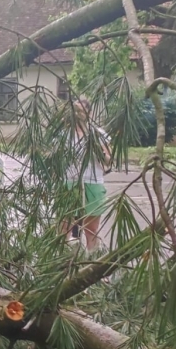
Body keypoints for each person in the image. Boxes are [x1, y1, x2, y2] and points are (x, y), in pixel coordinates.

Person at [61, 99, 111, 251]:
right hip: (68, 183)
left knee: (91, 230)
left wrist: (97, 149)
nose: (78, 114)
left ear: (89, 113)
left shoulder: (99, 134)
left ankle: (91, 265)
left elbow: (109, 162)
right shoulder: (63, 135)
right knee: (64, 229)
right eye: (75, 110)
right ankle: (61, 263)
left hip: (93, 183)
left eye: (81, 110)